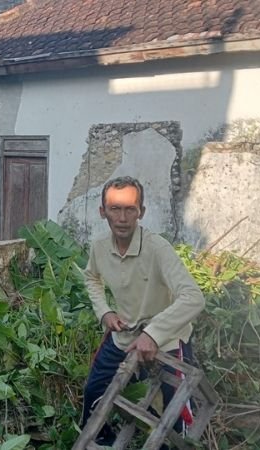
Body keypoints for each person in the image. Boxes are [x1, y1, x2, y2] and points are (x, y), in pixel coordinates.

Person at [81, 176, 205, 445]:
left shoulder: (157, 249)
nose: (122, 217)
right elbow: (91, 278)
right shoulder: (99, 248)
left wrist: (154, 334)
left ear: (141, 212)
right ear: (103, 212)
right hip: (124, 335)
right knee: (94, 392)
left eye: (130, 209)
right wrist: (104, 312)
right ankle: (102, 442)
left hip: (168, 340)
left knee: (177, 413)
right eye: (115, 209)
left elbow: (194, 297)